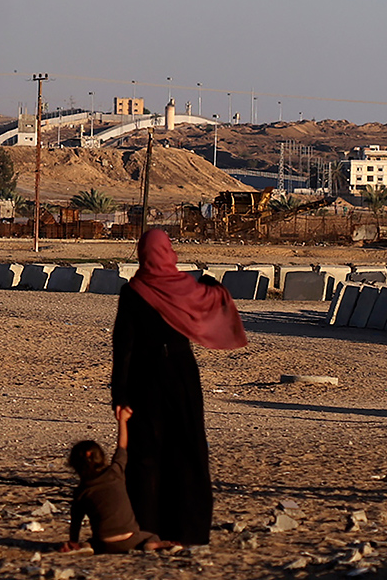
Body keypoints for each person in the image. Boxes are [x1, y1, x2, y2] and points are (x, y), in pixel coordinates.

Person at [111, 228, 247, 546]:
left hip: (143, 381)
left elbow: (123, 348)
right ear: (168, 253)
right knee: (187, 449)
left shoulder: (133, 292)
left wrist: (119, 395)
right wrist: (212, 284)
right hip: (181, 376)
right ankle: (189, 530)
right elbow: (214, 296)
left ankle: (145, 528)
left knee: (145, 455)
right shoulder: (187, 288)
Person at [61, 407, 171, 554]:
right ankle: (153, 545)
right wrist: (122, 421)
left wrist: (73, 541)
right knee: (151, 536)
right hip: (130, 539)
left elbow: (76, 522)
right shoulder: (115, 472)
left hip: (103, 543)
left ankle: (85, 547)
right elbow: (122, 447)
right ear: (101, 458)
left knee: (91, 542)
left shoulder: (81, 491)